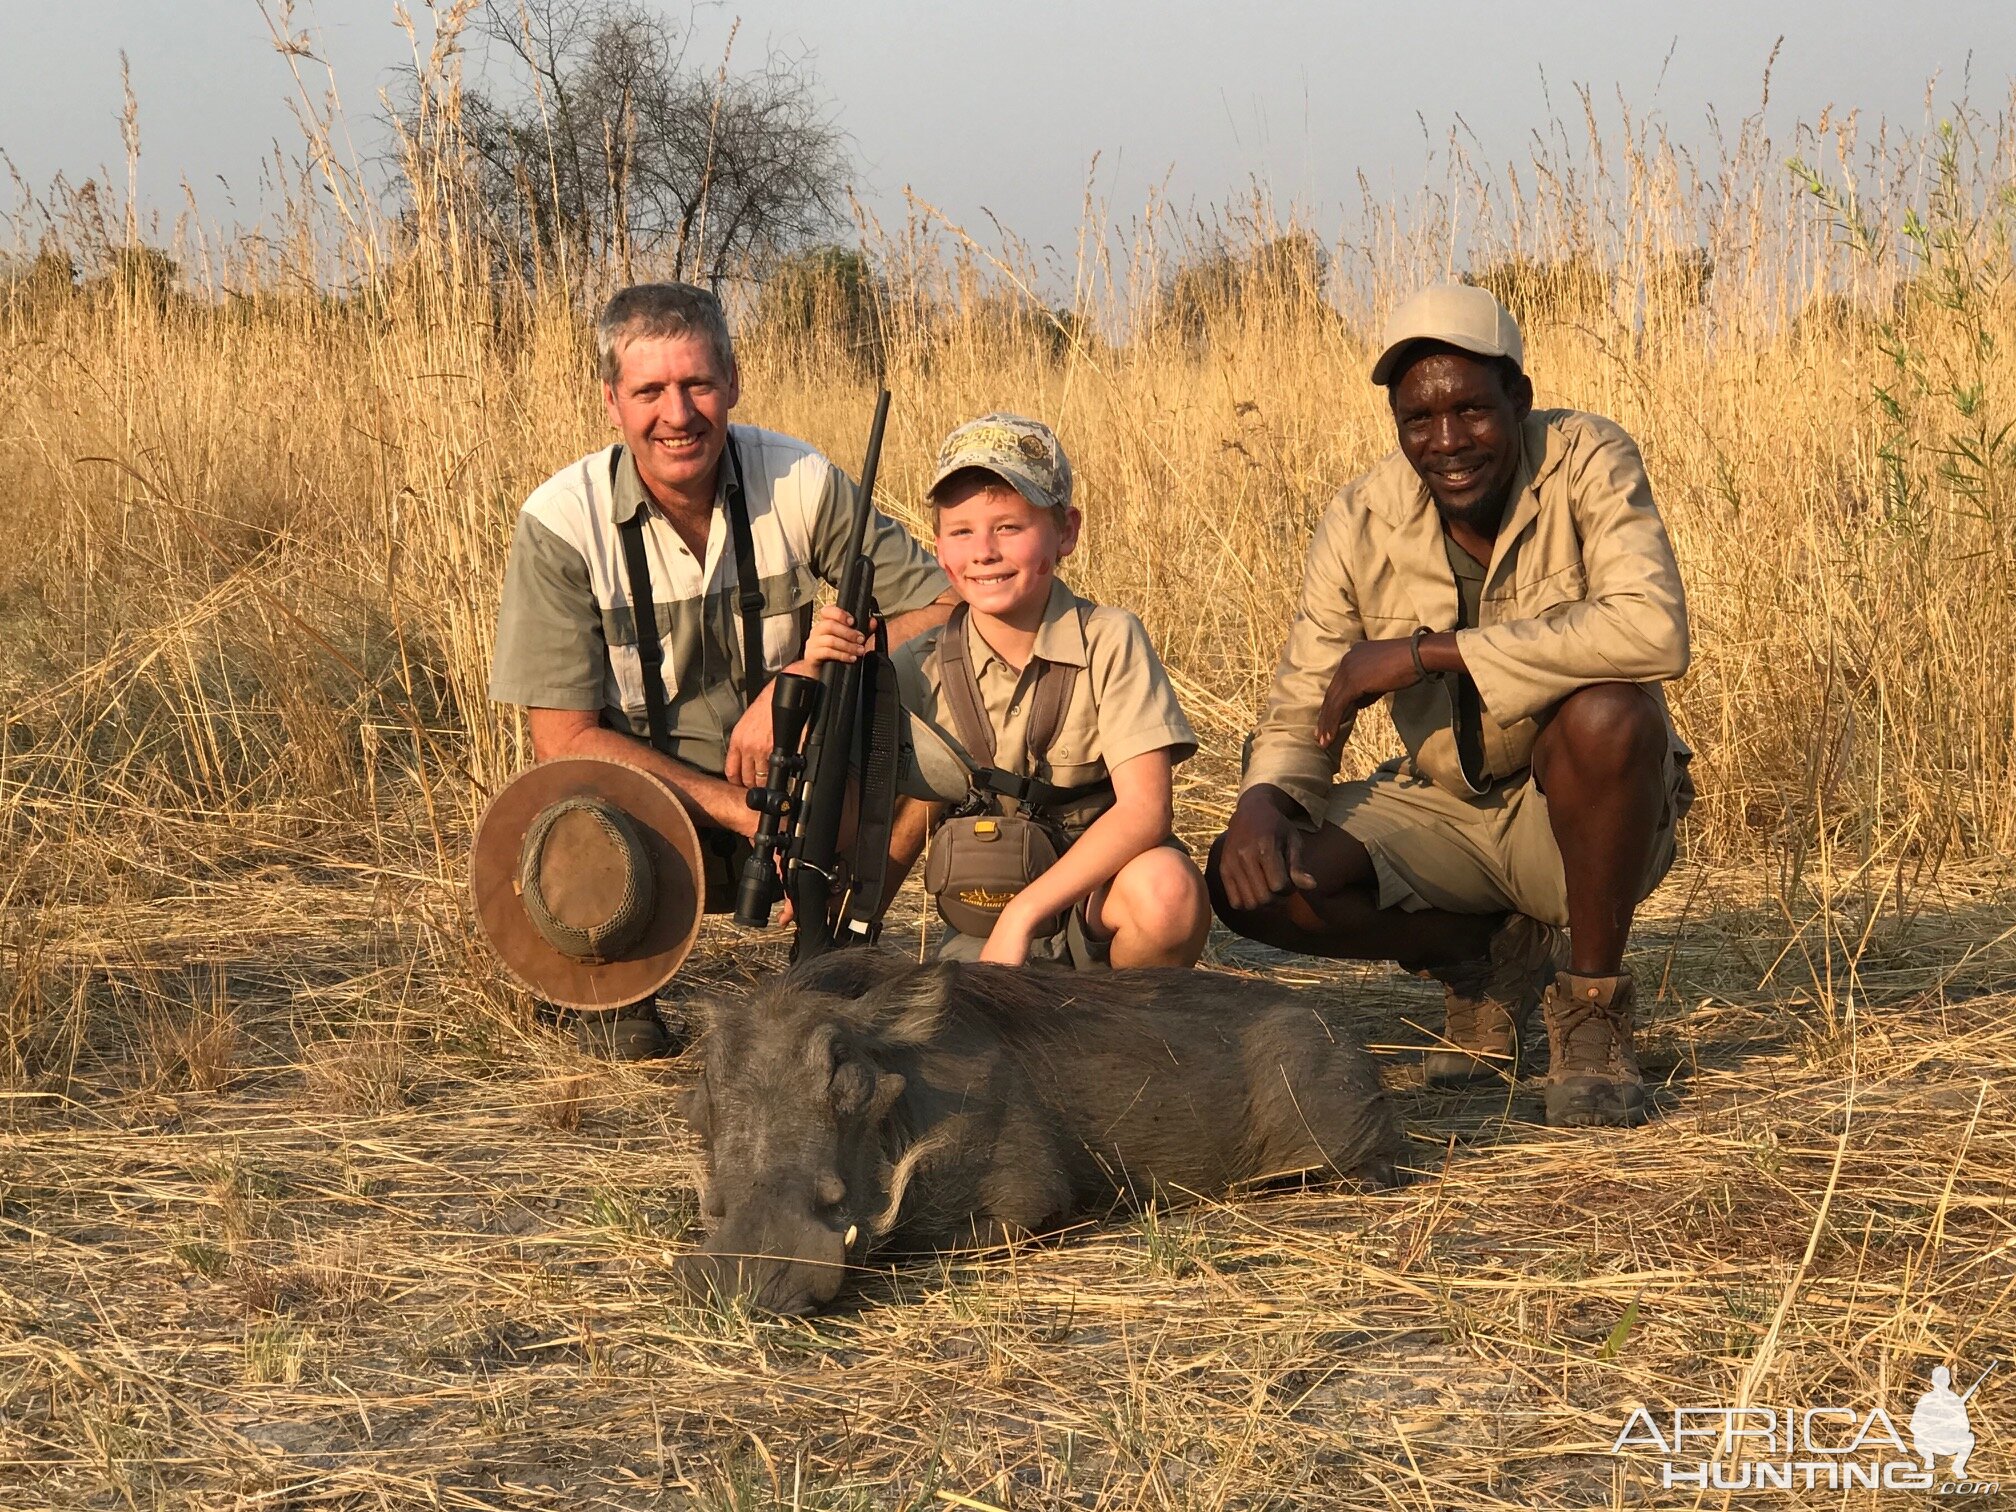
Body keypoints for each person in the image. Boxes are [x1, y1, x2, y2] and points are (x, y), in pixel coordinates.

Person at [1209, 283, 1693, 1128]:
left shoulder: (1588, 458)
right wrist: (1264, 799)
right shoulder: (1361, 516)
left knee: (1611, 713)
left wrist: (1429, 652)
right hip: (1443, 808)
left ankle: (1592, 1014)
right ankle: (1486, 961)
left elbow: (1653, 630)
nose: (1446, 443)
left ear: (1520, 398)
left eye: (1471, 410)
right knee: (1254, 879)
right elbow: (1304, 698)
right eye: (1417, 422)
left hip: (1577, 815)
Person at [489, 282, 954, 1055]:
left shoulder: (800, 480)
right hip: (649, 809)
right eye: (650, 391)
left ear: (732, 380)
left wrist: (805, 675)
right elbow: (563, 738)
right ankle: (617, 981)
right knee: (568, 804)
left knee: (935, 738)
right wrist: (736, 810)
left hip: (795, 783)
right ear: (612, 401)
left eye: (698, 383)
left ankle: (837, 951)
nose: (678, 414)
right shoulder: (561, 520)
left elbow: (943, 608)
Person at [803, 414, 1212, 969]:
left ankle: (1128, 1032)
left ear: (1066, 531)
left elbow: (1146, 812)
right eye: (962, 530)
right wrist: (823, 679)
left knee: (1168, 892)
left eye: (1009, 528)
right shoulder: (913, 667)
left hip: (1089, 918)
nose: (984, 551)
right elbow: (856, 805)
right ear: (939, 548)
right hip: (980, 931)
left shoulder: (1111, 639)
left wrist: (1022, 916)